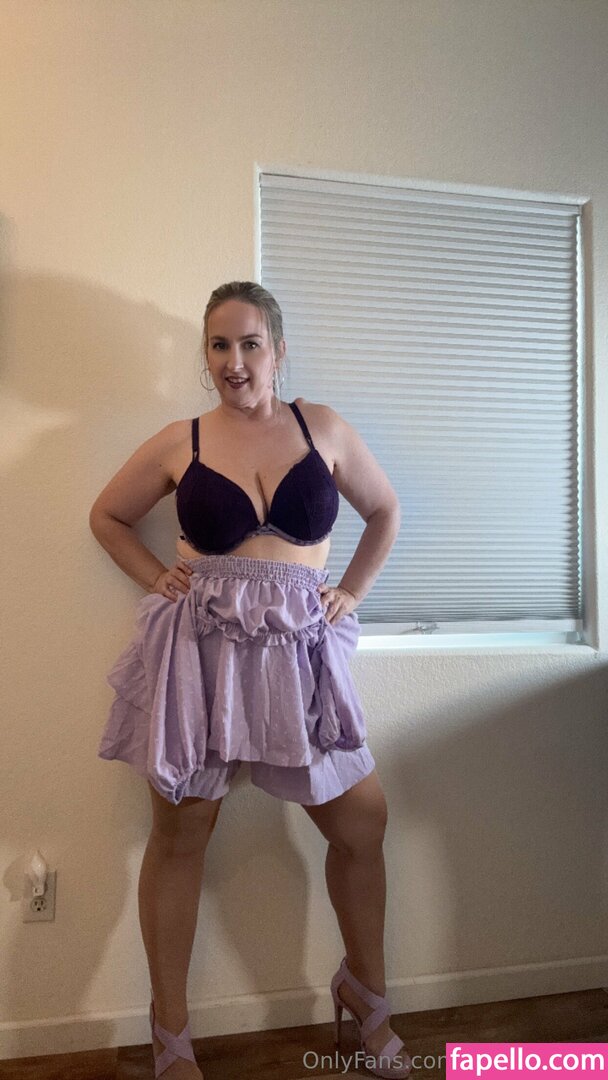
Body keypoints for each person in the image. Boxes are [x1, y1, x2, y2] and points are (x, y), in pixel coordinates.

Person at [89, 281, 411, 1080]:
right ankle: (170, 1035)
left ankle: (366, 992)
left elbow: (385, 511)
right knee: (180, 837)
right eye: (219, 345)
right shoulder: (182, 440)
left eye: (250, 343)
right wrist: (155, 576)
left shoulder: (321, 426)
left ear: (278, 349)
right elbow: (107, 516)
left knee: (361, 823)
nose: (235, 361)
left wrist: (350, 594)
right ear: (206, 356)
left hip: (299, 655)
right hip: (203, 655)